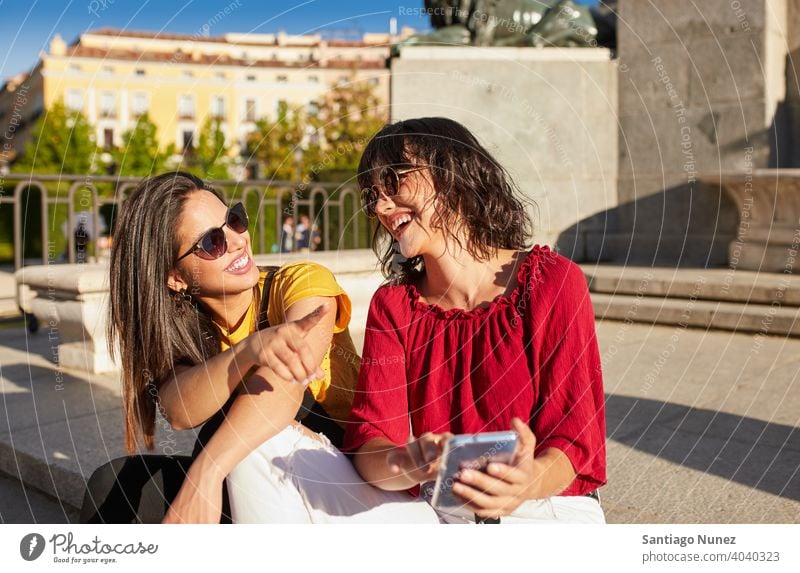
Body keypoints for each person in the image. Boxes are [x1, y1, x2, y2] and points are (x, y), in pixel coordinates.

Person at [108, 171, 438, 524]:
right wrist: (247, 350)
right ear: (175, 277)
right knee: (114, 485)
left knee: (252, 437)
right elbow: (178, 409)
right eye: (211, 242)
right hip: (266, 483)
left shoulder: (301, 282)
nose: (237, 240)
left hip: (350, 484)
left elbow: (285, 383)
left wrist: (205, 473)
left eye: (234, 220)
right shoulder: (189, 328)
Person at [344, 117, 607, 524]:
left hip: (545, 504)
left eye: (394, 180)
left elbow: (573, 441)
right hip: (442, 509)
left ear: (453, 173)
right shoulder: (393, 306)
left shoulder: (552, 283)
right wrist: (411, 460)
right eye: (372, 196)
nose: (380, 206)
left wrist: (524, 481)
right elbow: (369, 440)